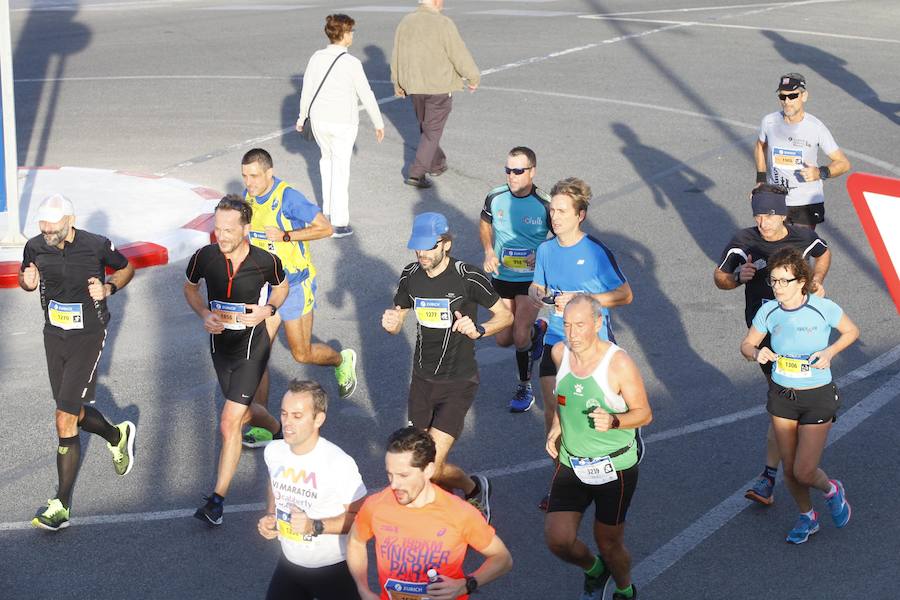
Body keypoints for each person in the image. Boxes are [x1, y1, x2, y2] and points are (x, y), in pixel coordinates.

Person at [381, 212, 512, 522]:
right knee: (416, 461)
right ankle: (436, 504)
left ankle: (473, 488)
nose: (423, 254)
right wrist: (392, 322)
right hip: (422, 381)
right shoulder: (410, 274)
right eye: (418, 248)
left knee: (433, 467)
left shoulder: (468, 277)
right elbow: (399, 312)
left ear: (447, 243)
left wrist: (479, 331)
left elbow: (504, 316)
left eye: (429, 247)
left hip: (458, 382)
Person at [20, 194, 136, 531]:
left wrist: (110, 287)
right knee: (70, 410)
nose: (47, 232)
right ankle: (116, 435)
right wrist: (26, 283)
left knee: (64, 418)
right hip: (53, 335)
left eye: (53, 227)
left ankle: (61, 505)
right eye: (43, 226)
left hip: (88, 334)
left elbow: (127, 267)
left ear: (70, 221)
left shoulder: (96, 245)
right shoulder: (35, 246)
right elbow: (24, 277)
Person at [714, 184, 831, 506]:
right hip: (764, 334)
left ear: (782, 214)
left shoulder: (803, 238)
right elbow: (719, 277)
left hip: (802, 334)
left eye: (769, 214)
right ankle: (776, 471)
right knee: (780, 400)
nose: (763, 221)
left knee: (785, 401)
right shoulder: (744, 241)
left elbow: (823, 253)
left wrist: (818, 280)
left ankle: (776, 471)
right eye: (758, 215)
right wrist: (739, 277)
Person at [241, 148, 358, 449]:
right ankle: (265, 425)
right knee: (257, 355)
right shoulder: (249, 197)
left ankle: (340, 359)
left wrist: (286, 236)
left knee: (301, 353)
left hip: (294, 284)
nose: (249, 182)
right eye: (245, 176)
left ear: (269, 172)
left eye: (254, 176)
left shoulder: (288, 198)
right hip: (267, 288)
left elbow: (325, 227)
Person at [740, 247, 858, 544]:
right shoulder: (768, 311)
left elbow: (851, 331)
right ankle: (808, 516)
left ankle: (832, 490)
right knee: (790, 471)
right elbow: (746, 346)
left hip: (817, 396)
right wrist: (757, 352)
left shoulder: (822, 307)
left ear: (801, 281)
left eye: (784, 281)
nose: (777, 288)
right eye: (774, 281)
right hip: (782, 396)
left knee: (804, 471)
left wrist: (830, 352)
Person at [184, 196, 289, 525]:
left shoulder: (264, 261)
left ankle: (216, 502)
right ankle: (277, 429)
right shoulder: (204, 257)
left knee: (230, 423)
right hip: (220, 347)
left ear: (246, 228)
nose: (221, 236)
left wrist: (267, 310)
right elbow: (189, 288)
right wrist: (203, 313)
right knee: (242, 412)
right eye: (217, 228)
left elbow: (282, 286)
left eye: (229, 230)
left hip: (250, 349)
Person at [544, 295, 652, 600]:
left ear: (598, 323)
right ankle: (595, 570)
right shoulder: (559, 353)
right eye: (567, 325)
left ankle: (624, 588)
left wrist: (615, 421)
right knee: (558, 539)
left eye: (580, 325)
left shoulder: (618, 363)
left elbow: (644, 413)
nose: (573, 333)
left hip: (614, 466)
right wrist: (556, 425)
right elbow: (562, 399)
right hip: (572, 462)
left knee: (608, 543)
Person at [346, 427, 513, 600]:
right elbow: (355, 541)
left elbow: (502, 558)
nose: (394, 485)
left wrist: (466, 584)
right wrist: (363, 589)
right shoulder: (376, 506)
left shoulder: (460, 514)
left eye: (403, 475)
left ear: (428, 470)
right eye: (390, 475)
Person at [529, 178, 633, 437]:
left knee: (592, 412)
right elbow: (538, 284)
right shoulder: (545, 250)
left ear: (580, 215)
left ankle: (609, 458)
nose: (555, 217)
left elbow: (625, 294)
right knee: (553, 410)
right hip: (556, 338)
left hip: (593, 343)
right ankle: (560, 468)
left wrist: (582, 298)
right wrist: (536, 292)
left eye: (562, 211)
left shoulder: (596, 251)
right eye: (552, 210)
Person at [257, 379, 367, 600]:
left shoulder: (337, 462)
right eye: (284, 414)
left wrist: (314, 526)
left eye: (297, 416)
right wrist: (271, 514)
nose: (287, 423)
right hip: (290, 565)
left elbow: (363, 520)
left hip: (334, 570)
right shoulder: (274, 451)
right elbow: (274, 482)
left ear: (318, 419)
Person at [297, 13, 385, 239]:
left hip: (319, 120)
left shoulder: (316, 57)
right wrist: (378, 122)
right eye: (351, 31)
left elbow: (307, 89)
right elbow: (366, 93)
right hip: (343, 122)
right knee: (340, 169)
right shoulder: (351, 63)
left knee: (326, 163)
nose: (353, 35)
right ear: (344, 34)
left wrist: (301, 117)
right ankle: (339, 223)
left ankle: (326, 214)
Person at [480, 146, 552, 413]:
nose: (512, 176)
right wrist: (488, 250)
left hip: (531, 281)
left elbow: (561, 238)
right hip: (502, 277)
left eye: (518, 171)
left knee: (519, 336)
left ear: (532, 172)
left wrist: (543, 256)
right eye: (508, 170)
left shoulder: (545, 204)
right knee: (503, 339)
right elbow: (485, 223)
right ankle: (538, 332)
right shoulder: (495, 197)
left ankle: (524, 387)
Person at [391, 0, 480, 189]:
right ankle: (416, 173)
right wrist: (473, 77)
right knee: (431, 131)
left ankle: (437, 163)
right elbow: (458, 53)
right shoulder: (443, 23)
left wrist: (398, 82)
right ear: (436, 1)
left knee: (427, 129)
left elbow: (397, 54)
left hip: (415, 86)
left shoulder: (406, 21)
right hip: (438, 86)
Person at [755, 72, 851, 230]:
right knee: (774, 252)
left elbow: (843, 163)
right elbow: (760, 146)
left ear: (804, 96)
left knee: (797, 254)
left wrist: (821, 172)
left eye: (792, 96)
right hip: (775, 200)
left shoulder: (816, 127)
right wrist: (761, 180)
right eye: (782, 97)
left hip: (805, 204)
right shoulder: (769, 122)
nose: (787, 101)